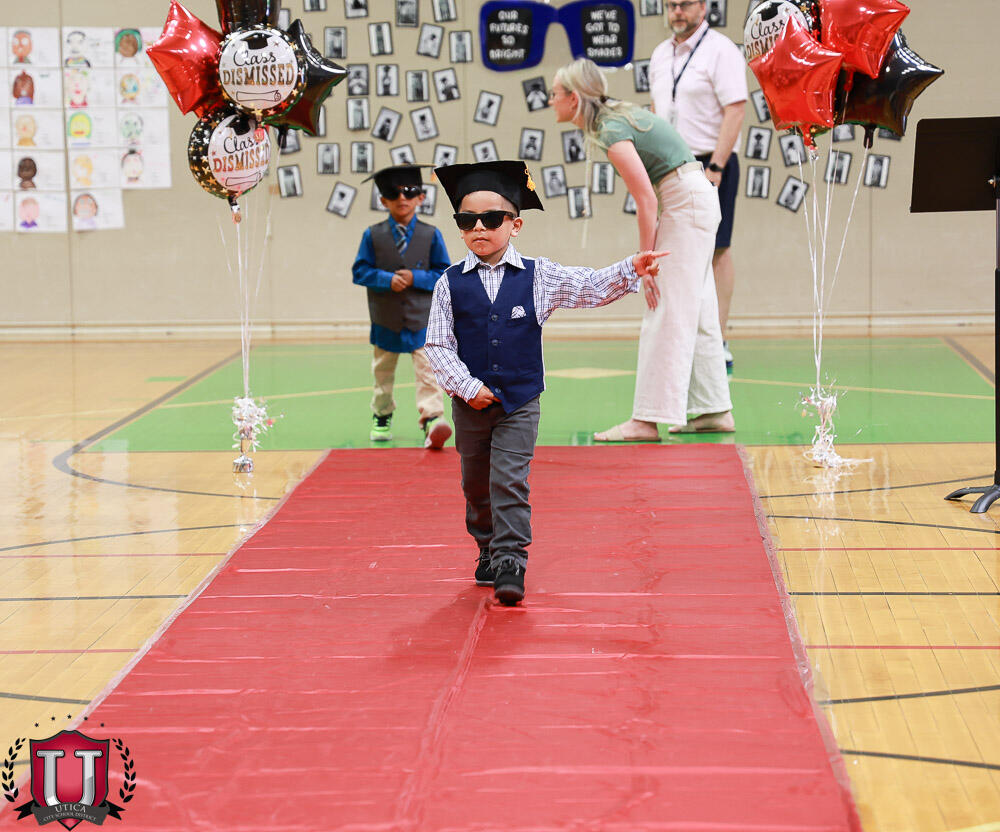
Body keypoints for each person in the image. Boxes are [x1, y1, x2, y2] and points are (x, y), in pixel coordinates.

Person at [424, 160, 667, 605]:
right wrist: (466, 387)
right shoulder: (448, 284)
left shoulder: (539, 276)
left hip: (519, 403)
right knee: (476, 485)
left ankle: (511, 559)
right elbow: (438, 345)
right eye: (466, 220)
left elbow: (588, 286)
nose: (479, 228)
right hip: (470, 406)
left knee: (509, 480)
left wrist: (631, 268)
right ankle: (486, 545)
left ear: (515, 225)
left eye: (491, 219)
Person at [552, 58, 734, 440]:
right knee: (699, 308)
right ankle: (714, 409)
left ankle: (646, 420)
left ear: (573, 98)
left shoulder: (611, 129)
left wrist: (644, 264)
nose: (550, 100)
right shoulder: (617, 117)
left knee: (663, 306)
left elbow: (646, 200)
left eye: (554, 94)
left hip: (685, 201)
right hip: (695, 199)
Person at [649, 0, 747, 371]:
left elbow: (735, 109)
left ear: (702, 7)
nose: (677, 11)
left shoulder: (720, 50)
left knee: (717, 249)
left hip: (710, 162)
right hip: (669, 164)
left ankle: (718, 340)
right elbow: (658, 112)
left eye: (685, 4)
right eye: (671, 5)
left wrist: (717, 166)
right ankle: (682, 337)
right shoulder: (660, 54)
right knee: (673, 251)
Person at [352, 165, 454, 448]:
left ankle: (432, 419)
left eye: (409, 192)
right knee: (382, 373)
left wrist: (416, 277)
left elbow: (444, 274)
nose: (402, 199)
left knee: (428, 372)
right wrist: (385, 279)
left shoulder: (431, 235)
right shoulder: (372, 235)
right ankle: (381, 414)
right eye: (393, 193)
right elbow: (359, 271)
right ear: (382, 200)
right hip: (385, 319)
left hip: (422, 321)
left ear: (421, 197)